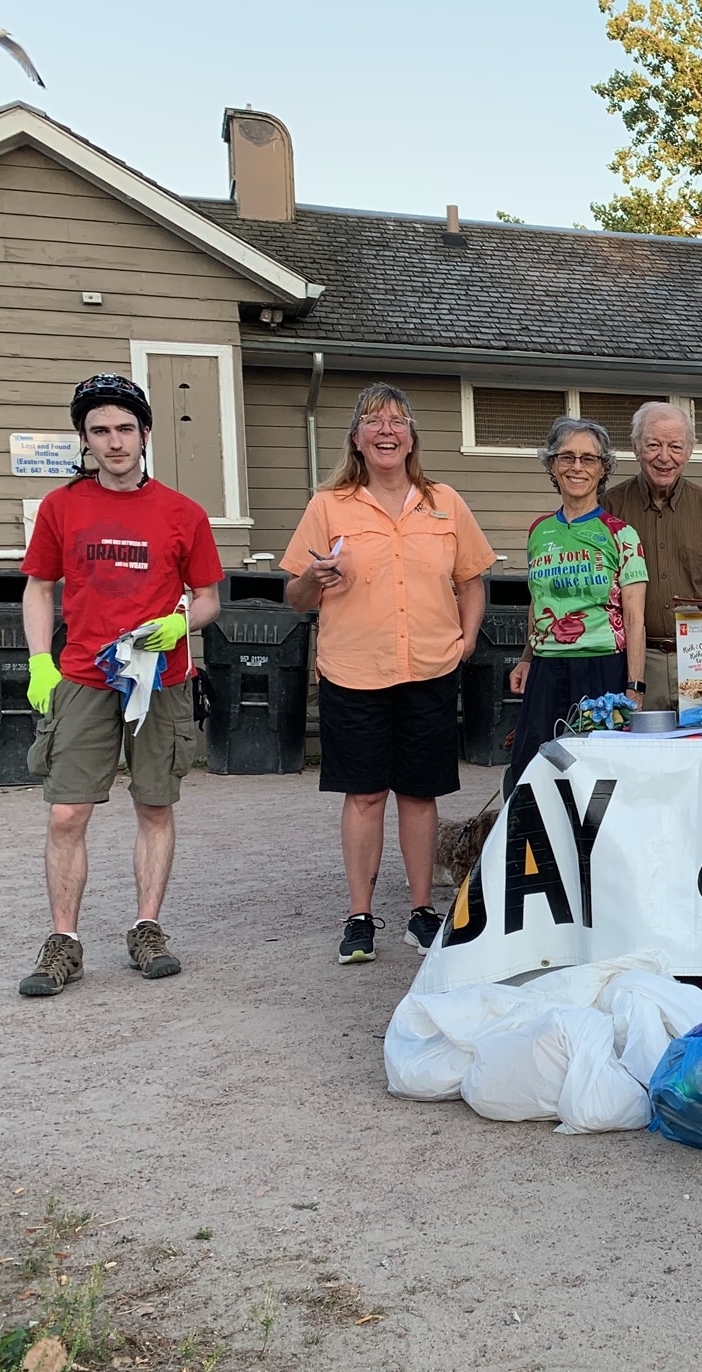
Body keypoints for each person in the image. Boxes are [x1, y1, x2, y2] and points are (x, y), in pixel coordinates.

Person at [16, 373, 224, 997]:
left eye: (124, 428)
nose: (114, 441)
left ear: (145, 434)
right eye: (100, 431)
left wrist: (178, 622)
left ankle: (147, 928)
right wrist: (38, 662)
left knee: (155, 805)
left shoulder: (183, 513)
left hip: (161, 678)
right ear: (85, 439)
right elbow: (39, 587)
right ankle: (64, 941)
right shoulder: (62, 507)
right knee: (66, 813)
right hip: (84, 675)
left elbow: (210, 598)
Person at [281, 384, 494, 966]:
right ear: (356, 438)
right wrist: (312, 581)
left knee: (419, 793)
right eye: (373, 420)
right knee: (366, 794)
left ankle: (422, 910)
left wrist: (468, 635)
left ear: (411, 437)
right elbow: (296, 596)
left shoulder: (444, 502)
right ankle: (360, 915)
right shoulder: (329, 506)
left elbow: (473, 578)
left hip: (428, 666)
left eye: (398, 421)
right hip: (355, 670)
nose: (387, 430)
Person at [503, 417, 649, 791]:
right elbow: (539, 604)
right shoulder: (539, 531)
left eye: (589, 459)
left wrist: (635, 686)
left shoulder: (621, 534)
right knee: (531, 774)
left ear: (603, 469)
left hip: (603, 669)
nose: (577, 467)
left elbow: (635, 618)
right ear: (552, 465)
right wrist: (525, 658)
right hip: (547, 670)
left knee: (596, 779)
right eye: (566, 457)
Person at [601, 401, 702, 710]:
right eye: (654, 445)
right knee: (641, 752)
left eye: (675, 446)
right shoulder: (609, 509)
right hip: (636, 661)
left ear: (690, 451)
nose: (665, 457)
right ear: (635, 447)